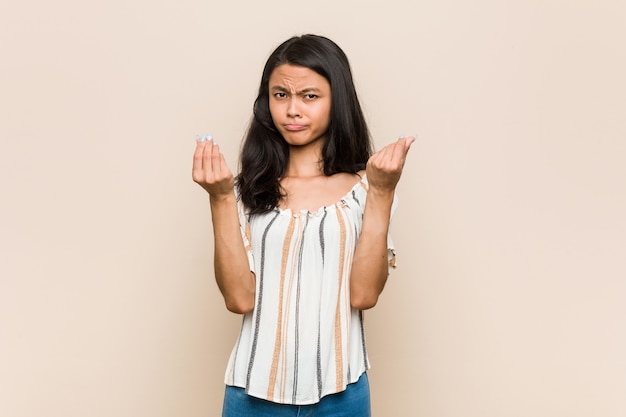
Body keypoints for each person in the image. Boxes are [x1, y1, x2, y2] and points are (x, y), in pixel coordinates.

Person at [192, 34, 414, 417]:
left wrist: (382, 192)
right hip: (251, 395)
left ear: (336, 101)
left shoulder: (366, 189)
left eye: (309, 96)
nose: (292, 110)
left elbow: (364, 296)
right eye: (280, 95)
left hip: (342, 393)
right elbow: (239, 300)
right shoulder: (245, 192)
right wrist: (220, 197)